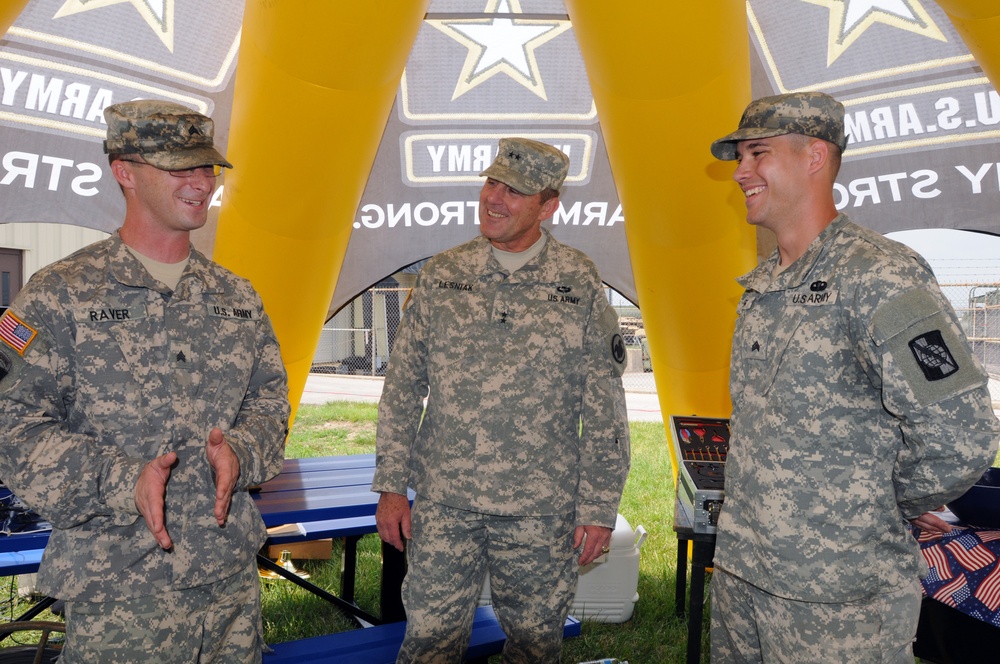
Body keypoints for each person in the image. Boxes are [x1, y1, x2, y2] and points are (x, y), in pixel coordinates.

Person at [707, 90, 1000, 663]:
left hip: (837, 595)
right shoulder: (765, 283)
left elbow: (960, 435)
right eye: (739, 157)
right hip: (745, 573)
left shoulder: (879, 275)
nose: (741, 172)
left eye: (757, 153)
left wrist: (871, 505)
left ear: (814, 157)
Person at [0, 100, 290, 663]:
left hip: (227, 586)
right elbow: (15, 427)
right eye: (180, 167)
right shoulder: (58, 294)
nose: (201, 182)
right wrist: (121, 481)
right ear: (124, 171)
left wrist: (241, 451)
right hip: (119, 595)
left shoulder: (237, 298)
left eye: (206, 167)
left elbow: (269, 406)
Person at [373, 137, 630, 663]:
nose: (495, 198)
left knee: (535, 646)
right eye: (492, 182)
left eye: (515, 192)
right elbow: (402, 386)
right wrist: (390, 486)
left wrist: (599, 507)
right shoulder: (444, 273)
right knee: (428, 644)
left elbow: (603, 404)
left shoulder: (577, 280)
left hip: (540, 508)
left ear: (548, 206)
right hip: (446, 502)